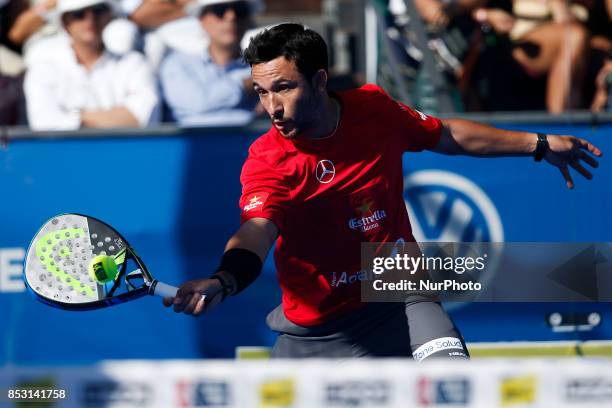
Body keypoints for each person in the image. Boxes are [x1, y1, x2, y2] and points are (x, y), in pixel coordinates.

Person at [163, 24, 603, 359]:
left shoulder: (373, 108)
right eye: (261, 92)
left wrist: (539, 144)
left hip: (397, 289)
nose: (272, 107)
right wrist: (225, 278)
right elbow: (257, 229)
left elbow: (446, 134)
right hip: (316, 331)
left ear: (319, 80)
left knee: (455, 391)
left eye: (284, 88)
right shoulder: (268, 159)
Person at [23, 0, 159, 130]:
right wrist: (116, 119)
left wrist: (74, 118)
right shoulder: (43, 69)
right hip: (66, 153)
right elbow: (44, 124)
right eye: (79, 14)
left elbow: (143, 117)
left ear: (109, 15)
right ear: (65, 22)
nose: (90, 19)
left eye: (98, 10)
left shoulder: (135, 63)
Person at [158, 0, 260, 126]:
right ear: (202, 20)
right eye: (219, 10)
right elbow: (196, 103)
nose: (231, 17)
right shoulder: (176, 64)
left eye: (240, 10)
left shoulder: (264, 68)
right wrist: (248, 84)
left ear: (248, 19)